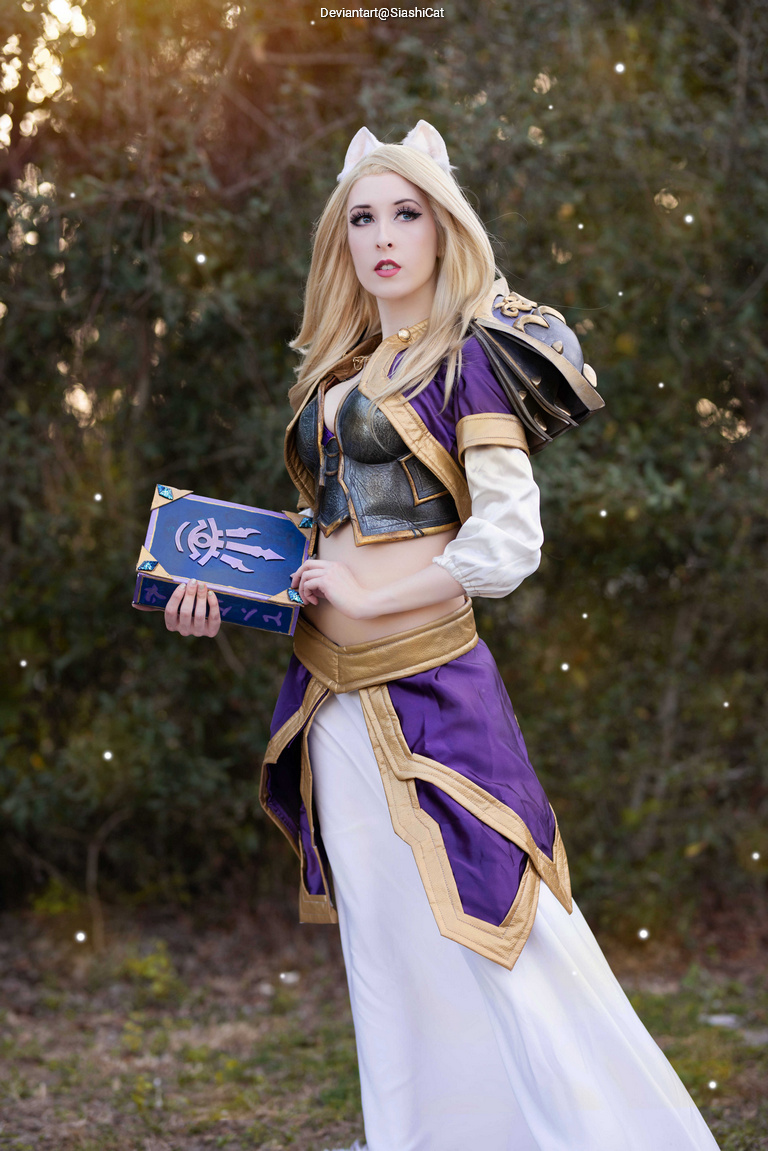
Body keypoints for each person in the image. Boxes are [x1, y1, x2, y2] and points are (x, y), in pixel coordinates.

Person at [162, 123, 720, 1151]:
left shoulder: (472, 362)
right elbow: (323, 542)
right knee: (389, 959)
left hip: (434, 692)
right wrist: (219, 590)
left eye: (406, 214)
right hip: (330, 698)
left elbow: (508, 540)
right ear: (342, 239)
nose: (383, 237)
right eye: (363, 218)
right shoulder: (338, 374)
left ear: (442, 228)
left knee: (512, 932)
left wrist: (370, 601)